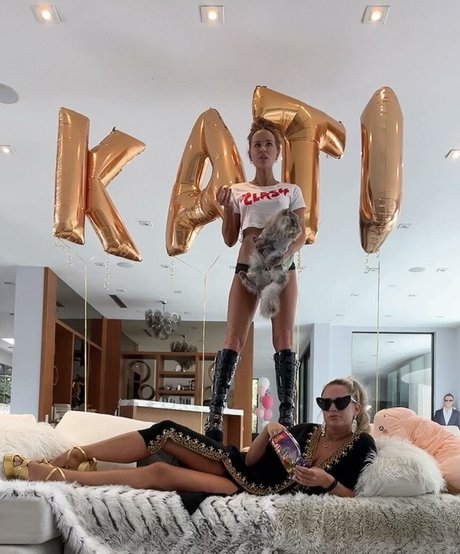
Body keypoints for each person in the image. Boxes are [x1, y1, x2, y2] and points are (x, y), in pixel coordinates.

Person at [4, 378, 376, 506]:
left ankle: (61, 477)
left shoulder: (363, 447)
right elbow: (251, 462)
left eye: (340, 402)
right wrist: (266, 432)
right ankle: (75, 454)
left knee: (162, 474)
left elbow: (358, 497)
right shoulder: (308, 430)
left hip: (252, 492)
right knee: (165, 429)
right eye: (324, 402)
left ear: (355, 407)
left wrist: (327, 481)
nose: (331, 409)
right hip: (240, 467)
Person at [205, 117, 308, 442]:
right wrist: (226, 207)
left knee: (284, 339)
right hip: (247, 264)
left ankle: (287, 415)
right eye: (257, 144)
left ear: (277, 152)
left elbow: (302, 233)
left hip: (281, 265)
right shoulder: (238, 190)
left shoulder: (291, 190)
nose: (263, 149)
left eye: (268, 144)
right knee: (233, 338)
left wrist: (284, 255)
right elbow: (229, 237)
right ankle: (215, 415)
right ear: (249, 153)